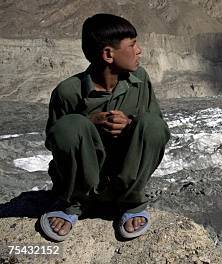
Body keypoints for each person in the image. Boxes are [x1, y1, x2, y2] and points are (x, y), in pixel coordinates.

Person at [39, 13, 170, 241]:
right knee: (69, 126)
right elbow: (54, 140)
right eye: (132, 45)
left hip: (123, 178)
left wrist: (129, 124)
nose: (139, 51)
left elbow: (158, 129)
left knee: (152, 125)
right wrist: (88, 122)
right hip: (78, 182)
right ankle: (74, 203)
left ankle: (131, 201)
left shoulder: (139, 80)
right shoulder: (68, 91)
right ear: (108, 54)